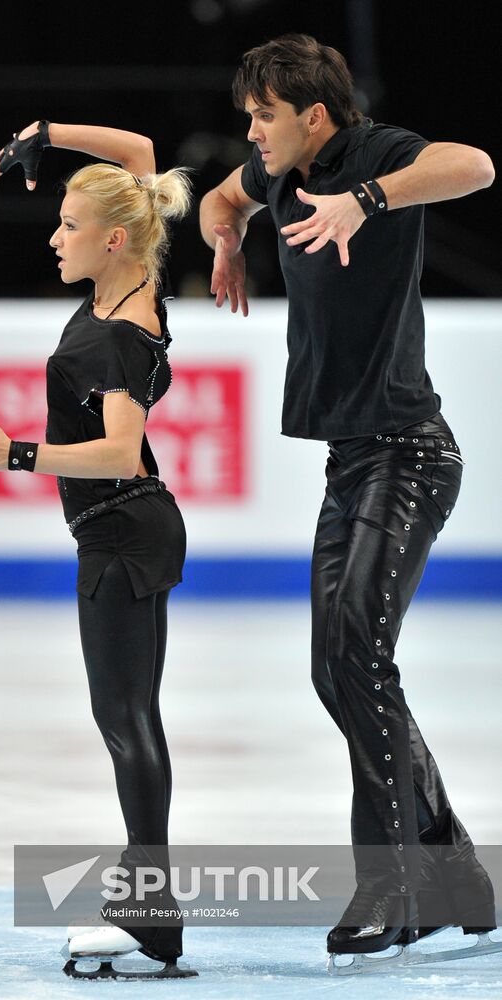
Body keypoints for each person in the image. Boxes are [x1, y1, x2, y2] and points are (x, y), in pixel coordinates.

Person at [199, 33, 497, 965]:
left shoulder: (372, 156)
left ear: (314, 116)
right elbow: (216, 197)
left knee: (353, 653)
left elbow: (475, 166)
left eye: (263, 116)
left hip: (408, 457)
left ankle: (399, 881)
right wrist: (229, 240)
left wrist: (365, 202)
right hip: (351, 462)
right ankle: (457, 877)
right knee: (340, 666)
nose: (251, 133)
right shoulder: (274, 169)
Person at [0, 120, 196, 980]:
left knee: (125, 722)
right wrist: (43, 137)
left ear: (114, 239)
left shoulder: (115, 338)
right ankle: (152, 907)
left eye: (67, 224)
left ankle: (153, 915)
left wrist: (17, 454)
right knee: (130, 719)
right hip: (133, 528)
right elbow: (137, 156)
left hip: (122, 532)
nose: (55, 237)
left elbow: (121, 452)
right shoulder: (133, 286)